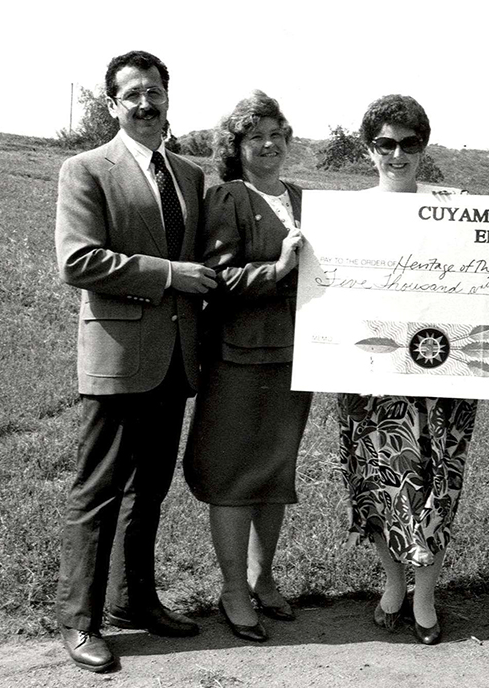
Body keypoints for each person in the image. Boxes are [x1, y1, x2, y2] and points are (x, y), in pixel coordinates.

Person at [54, 50, 215, 672]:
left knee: (149, 487)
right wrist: (171, 274)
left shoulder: (188, 174)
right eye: (132, 95)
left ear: (168, 96)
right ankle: (78, 621)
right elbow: (78, 261)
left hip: (176, 358)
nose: (145, 104)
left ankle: (134, 601)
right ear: (114, 105)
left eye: (154, 92)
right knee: (97, 489)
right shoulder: (86, 169)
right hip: (118, 358)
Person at [337, 94, 477, 646]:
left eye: (409, 144)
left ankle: (425, 594)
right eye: (385, 144)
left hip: (442, 370)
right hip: (370, 377)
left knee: (434, 486)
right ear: (370, 149)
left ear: (424, 149)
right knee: (377, 484)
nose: (397, 154)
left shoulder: (454, 208)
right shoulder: (345, 214)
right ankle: (392, 583)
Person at [183, 91, 312, 643]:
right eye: (254, 136)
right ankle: (233, 589)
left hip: (297, 355)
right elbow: (216, 279)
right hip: (239, 356)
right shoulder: (228, 198)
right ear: (235, 147)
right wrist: (277, 270)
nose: (267, 144)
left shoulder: (304, 197)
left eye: (276, 134)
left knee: (274, 475)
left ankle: (262, 578)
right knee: (235, 478)